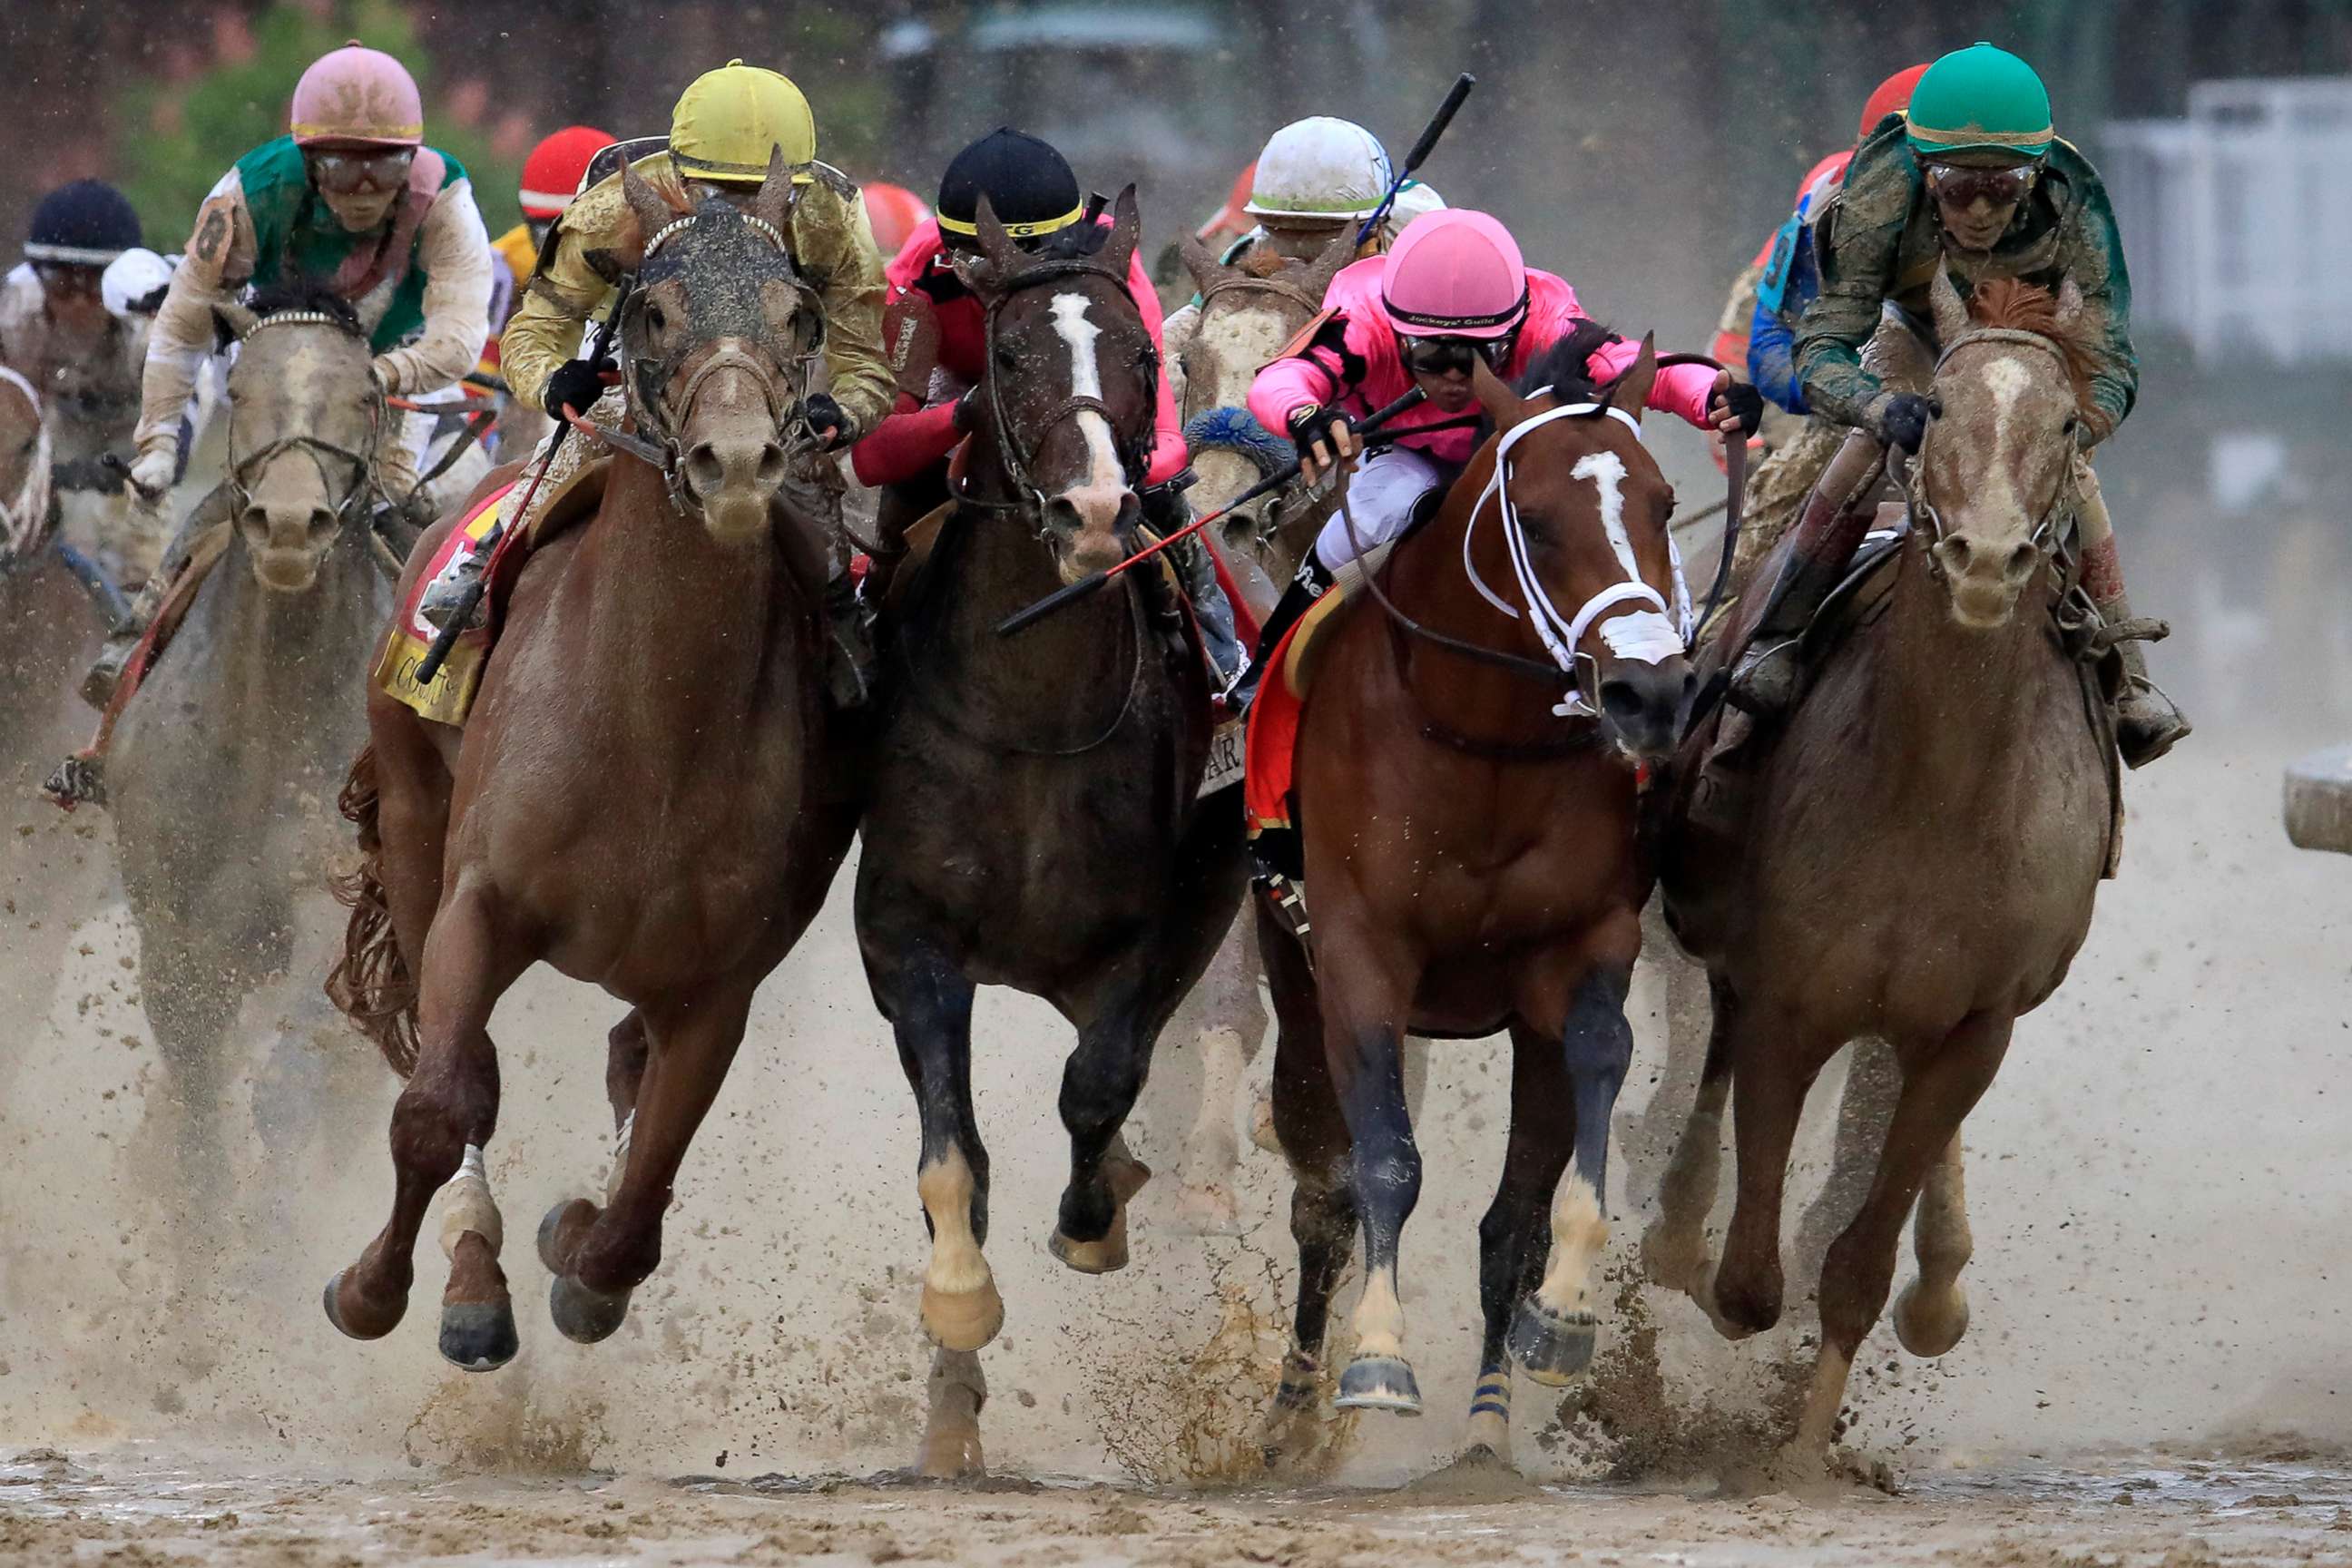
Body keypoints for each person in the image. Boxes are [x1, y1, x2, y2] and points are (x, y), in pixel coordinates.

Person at [1736, 42, 2187, 766]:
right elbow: (1822, 346)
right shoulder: (1876, 195)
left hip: (2029, 343)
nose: (1979, 210)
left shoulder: (2079, 205)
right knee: (1859, 450)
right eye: (1954, 187)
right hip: (1913, 332)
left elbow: (2113, 361)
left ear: (2039, 174)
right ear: (1919, 170)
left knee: (2071, 471)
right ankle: (1775, 637)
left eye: (2003, 188)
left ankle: (2129, 678)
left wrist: (2079, 425)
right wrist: (1878, 410)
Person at [443, 61, 892, 705]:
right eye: (714, 190)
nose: (735, 213)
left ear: (796, 185)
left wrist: (842, 411)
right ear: (677, 175)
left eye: (760, 193)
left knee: (826, 515)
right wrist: (553, 383)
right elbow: (537, 328)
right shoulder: (615, 209)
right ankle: (467, 599)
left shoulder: (830, 220)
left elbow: (866, 363)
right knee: (538, 488)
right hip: (640, 376)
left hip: (772, 391)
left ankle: (846, 645)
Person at [81, 42, 495, 703]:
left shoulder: (446, 199)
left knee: (407, 500)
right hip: (278, 363)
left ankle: (463, 685)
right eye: (339, 167)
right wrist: (157, 444)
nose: (363, 191)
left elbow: (460, 338)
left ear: (411, 160)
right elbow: (183, 324)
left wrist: (380, 377)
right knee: (234, 501)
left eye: (385, 168)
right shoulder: (248, 193)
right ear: (306, 160)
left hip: (397, 369)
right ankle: (126, 663)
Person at [1241, 208, 1761, 690]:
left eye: (1481, 354)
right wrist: (1304, 414)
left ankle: (1668, 654)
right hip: (1413, 458)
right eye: (1430, 355)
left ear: (1516, 327)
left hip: (1524, 460)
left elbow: (1629, 365)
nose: (1454, 377)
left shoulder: (1549, 323)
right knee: (1366, 522)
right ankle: (1263, 674)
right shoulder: (1361, 322)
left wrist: (1709, 395)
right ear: (1396, 332)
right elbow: (1281, 379)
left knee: (1607, 512)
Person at [847, 127, 1240, 681]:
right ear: (953, 253)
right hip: (967, 390)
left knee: (1168, 499)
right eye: (987, 260)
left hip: (1077, 402)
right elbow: (872, 457)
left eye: (1031, 255)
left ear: (1072, 242)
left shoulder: (1110, 263)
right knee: (905, 490)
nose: (1012, 275)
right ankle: (865, 630)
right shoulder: (917, 280)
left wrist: (1098, 465)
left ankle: (1225, 656)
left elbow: (1168, 445)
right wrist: (970, 413)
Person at [0, 180, 168, 579]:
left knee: (144, 555)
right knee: (63, 540)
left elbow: (182, 413)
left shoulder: (152, 321)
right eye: (61, 282)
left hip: (141, 426)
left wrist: (153, 467)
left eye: (94, 284)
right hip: (59, 425)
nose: (77, 300)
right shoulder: (12, 311)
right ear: (38, 276)